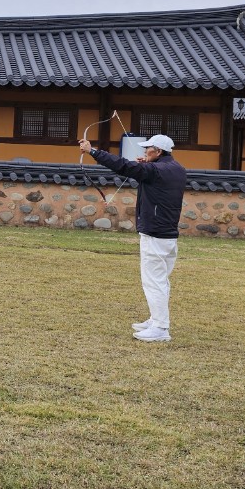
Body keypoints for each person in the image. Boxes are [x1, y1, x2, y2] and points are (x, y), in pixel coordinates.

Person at [79, 133, 187, 343]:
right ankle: (156, 319)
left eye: (148, 149)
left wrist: (92, 152)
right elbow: (147, 172)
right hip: (167, 234)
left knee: (153, 281)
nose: (145, 152)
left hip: (156, 234)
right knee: (160, 280)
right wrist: (147, 165)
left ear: (159, 152)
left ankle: (161, 327)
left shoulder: (155, 170)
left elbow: (123, 166)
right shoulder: (176, 169)